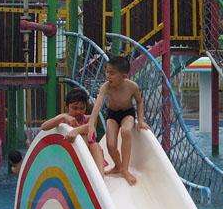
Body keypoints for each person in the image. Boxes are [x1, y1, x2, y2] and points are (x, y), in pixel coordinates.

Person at [87, 56, 149, 185]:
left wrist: (141, 120)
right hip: (112, 115)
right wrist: (91, 125)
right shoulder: (106, 87)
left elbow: (139, 102)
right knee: (110, 145)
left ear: (124, 76)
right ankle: (118, 166)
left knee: (126, 131)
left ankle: (125, 170)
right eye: (107, 71)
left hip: (127, 113)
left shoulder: (132, 86)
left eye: (112, 73)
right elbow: (97, 106)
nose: (108, 75)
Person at [41, 89, 106, 174]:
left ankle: (100, 177)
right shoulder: (64, 119)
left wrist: (76, 131)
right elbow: (44, 127)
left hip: (88, 159)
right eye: (74, 108)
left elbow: (90, 127)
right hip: (69, 157)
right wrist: (63, 117)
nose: (78, 111)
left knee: (95, 145)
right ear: (67, 106)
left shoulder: (89, 119)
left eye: (82, 108)